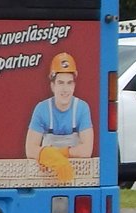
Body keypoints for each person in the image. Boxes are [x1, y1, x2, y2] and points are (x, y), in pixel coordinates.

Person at [24, 52, 93, 182]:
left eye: (69, 83)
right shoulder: (42, 109)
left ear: (74, 86)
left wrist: (60, 154)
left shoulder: (82, 108)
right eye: (60, 83)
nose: (65, 89)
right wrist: (47, 155)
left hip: (75, 175)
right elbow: (30, 149)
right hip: (46, 175)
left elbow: (86, 150)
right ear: (52, 86)